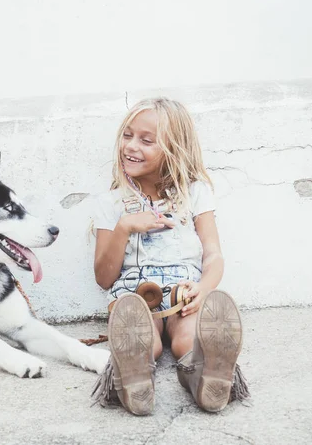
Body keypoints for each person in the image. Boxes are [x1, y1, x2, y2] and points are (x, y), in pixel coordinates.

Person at [90, 98, 249, 415]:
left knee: (187, 338)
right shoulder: (111, 203)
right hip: (135, 294)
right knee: (143, 337)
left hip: (183, 291)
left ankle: (207, 376)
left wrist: (203, 289)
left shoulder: (194, 193)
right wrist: (124, 227)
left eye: (146, 141)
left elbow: (213, 254)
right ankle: (134, 377)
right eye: (127, 135)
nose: (131, 146)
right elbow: (104, 277)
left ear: (174, 149)